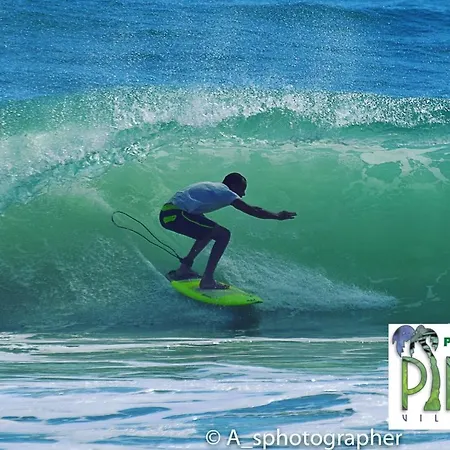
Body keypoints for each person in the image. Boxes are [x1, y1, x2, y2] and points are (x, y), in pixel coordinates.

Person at [159, 173, 296, 289]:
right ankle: (207, 280)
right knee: (223, 235)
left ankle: (184, 269)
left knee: (209, 231)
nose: (243, 194)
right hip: (175, 215)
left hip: (170, 214)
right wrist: (277, 216)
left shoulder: (214, 188)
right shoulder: (224, 191)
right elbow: (254, 210)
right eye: (242, 189)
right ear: (234, 186)